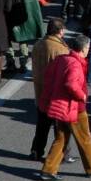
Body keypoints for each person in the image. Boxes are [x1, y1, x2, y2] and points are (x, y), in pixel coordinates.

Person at [38, 34, 91, 181]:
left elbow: (49, 76)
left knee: (61, 139)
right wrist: (82, 96)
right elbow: (71, 84)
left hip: (60, 107)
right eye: (88, 47)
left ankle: (48, 170)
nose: (89, 50)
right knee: (84, 137)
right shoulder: (75, 63)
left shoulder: (62, 59)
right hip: (74, 108)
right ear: (83, 48)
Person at [29, 18, 70, 160]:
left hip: (40, 90)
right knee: (61, 128)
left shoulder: (38, 44)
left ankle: (36, 150)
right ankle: (61, 155)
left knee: (42, 125)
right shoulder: (61, 49)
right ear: (60, 31)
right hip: (55, 93)